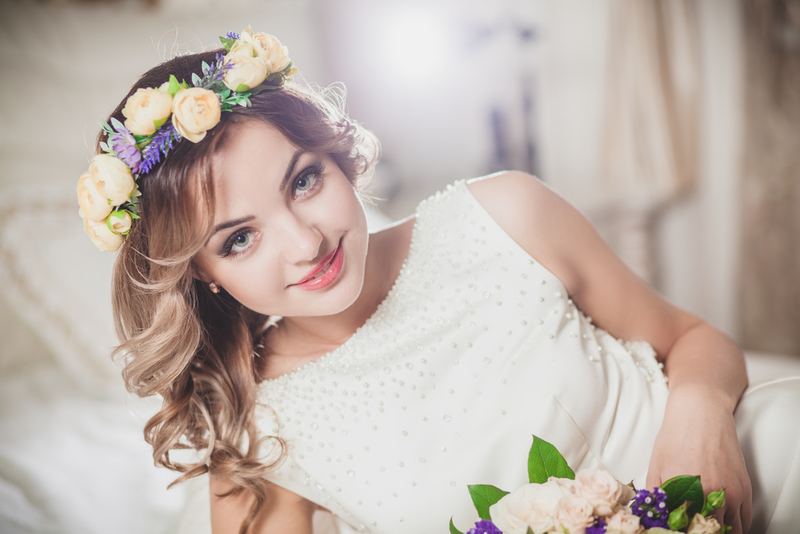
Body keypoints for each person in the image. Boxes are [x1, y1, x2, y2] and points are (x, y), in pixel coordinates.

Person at [77, 28, 800, 534]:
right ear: (201, 277)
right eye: (238, 239)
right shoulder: (253, 431)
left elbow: (694, 339)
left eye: (303, 180)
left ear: (336, 156)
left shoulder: (504, 214)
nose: (305, 242)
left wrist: (701, 413)